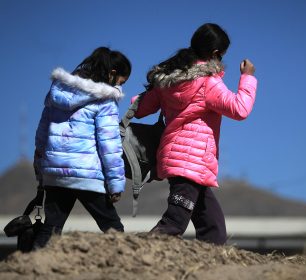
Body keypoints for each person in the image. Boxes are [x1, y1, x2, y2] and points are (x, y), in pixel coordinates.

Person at [132, 23, 257, 245]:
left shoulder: (169, 79)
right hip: (193, 161)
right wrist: (247, 77)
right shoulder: (208, 83)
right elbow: (239, 109)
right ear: (216, 54)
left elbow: (140, 110)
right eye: (221, 56)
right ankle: (137, 254)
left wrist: (154, 89)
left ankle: (212, 271)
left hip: (177, 159)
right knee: (174, 223)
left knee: (213, 228)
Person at [33, 46, 131, 249]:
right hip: (87, 175)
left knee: (50, 230)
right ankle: (125, 270)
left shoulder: (57, 93)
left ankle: (31, 268)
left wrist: (40, 169)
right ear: (112, 74)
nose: (119, 88)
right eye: (121, 83)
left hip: (55, 174)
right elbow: (109, 145)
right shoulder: (105, 100)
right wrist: (115, 184)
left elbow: (42, 135)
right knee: (113, 228)